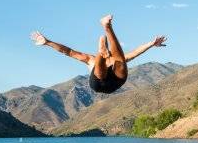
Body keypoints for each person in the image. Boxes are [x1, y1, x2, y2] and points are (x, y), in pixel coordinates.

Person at [31, 15, 167, 94]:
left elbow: (137, 52)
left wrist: (151, 44)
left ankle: (106, 30)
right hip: (97, 83)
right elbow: (67, 51)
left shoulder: (110, 59)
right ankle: (103, 46)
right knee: (105, 69)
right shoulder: (90, 59)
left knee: (121, 62)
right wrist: (47, 42)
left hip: (115, 82)